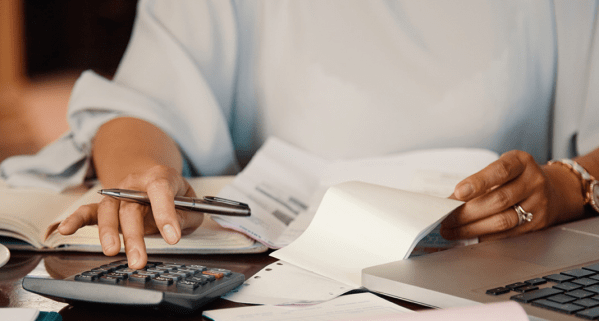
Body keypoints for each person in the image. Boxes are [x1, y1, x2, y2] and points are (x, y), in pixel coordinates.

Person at [4, 0, 599, 269]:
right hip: (282, 278)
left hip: (498, 276)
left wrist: (566, 185)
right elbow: (139, 107)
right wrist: (144, 172)